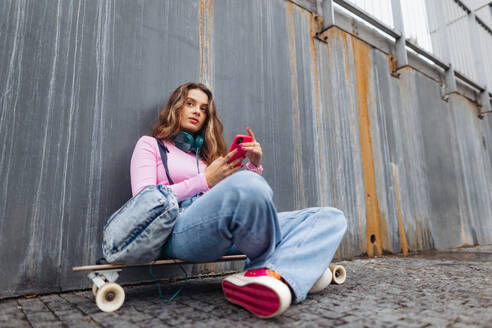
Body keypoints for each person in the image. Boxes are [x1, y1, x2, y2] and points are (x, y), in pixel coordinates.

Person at [130, 82, 347, 318]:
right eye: (190, 104)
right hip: (177, 231)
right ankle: (288, 272)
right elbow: (143, 202)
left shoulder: (205, 159)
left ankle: (267, 277)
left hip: (223, 230)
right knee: (245, 183)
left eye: (203, 109)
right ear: (175, 107)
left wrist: (253, 166)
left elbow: (241, 198)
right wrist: (204, 180)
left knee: (331, 217)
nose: (196, 112)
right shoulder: (150, 145)